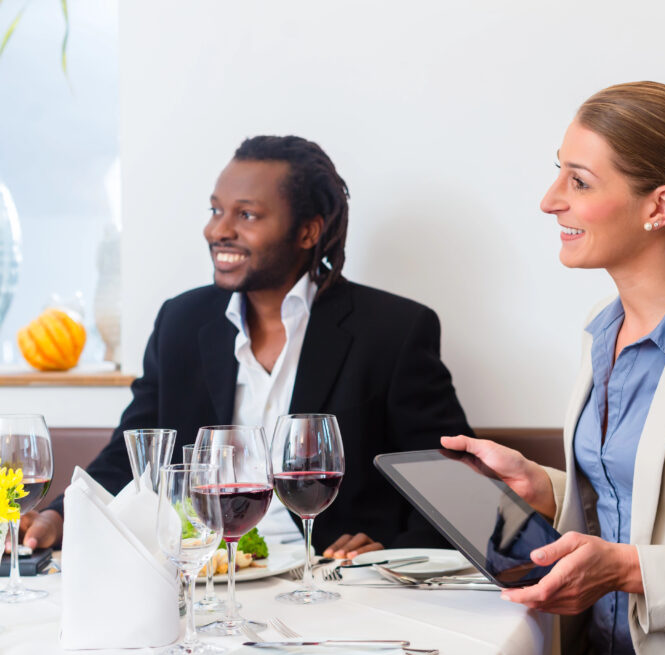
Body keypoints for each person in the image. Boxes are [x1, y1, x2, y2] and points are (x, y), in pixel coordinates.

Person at [442, 82, 665, 655]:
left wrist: (629, 572)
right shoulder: (602, 332)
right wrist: (545, 489)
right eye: (558, 175)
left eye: (579, 181)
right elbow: (635, 503)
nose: (550, 201)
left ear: (660, 206)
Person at [19, 135, 473, 557]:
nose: (218, 230)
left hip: (333, 584)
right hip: (207, 577)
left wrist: (391, 556)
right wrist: (61, 515)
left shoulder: (393, 330)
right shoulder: (181, 322)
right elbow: (133, 454)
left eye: (246, 215)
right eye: (216, 210)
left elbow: (451, 487)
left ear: (308, 232)